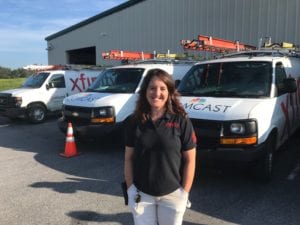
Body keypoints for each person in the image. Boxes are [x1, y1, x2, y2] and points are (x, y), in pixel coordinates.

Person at [124, 68, 197, 225]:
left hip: (173, 195)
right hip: (141, 194)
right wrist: (130, 190)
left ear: (169, 92)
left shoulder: (181, 121)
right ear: (145, 91)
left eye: (162, 88)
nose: (157, 93)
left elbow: (190, 160)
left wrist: (184, 193)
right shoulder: (133, 121)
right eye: (152, 88)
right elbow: (128, 159)